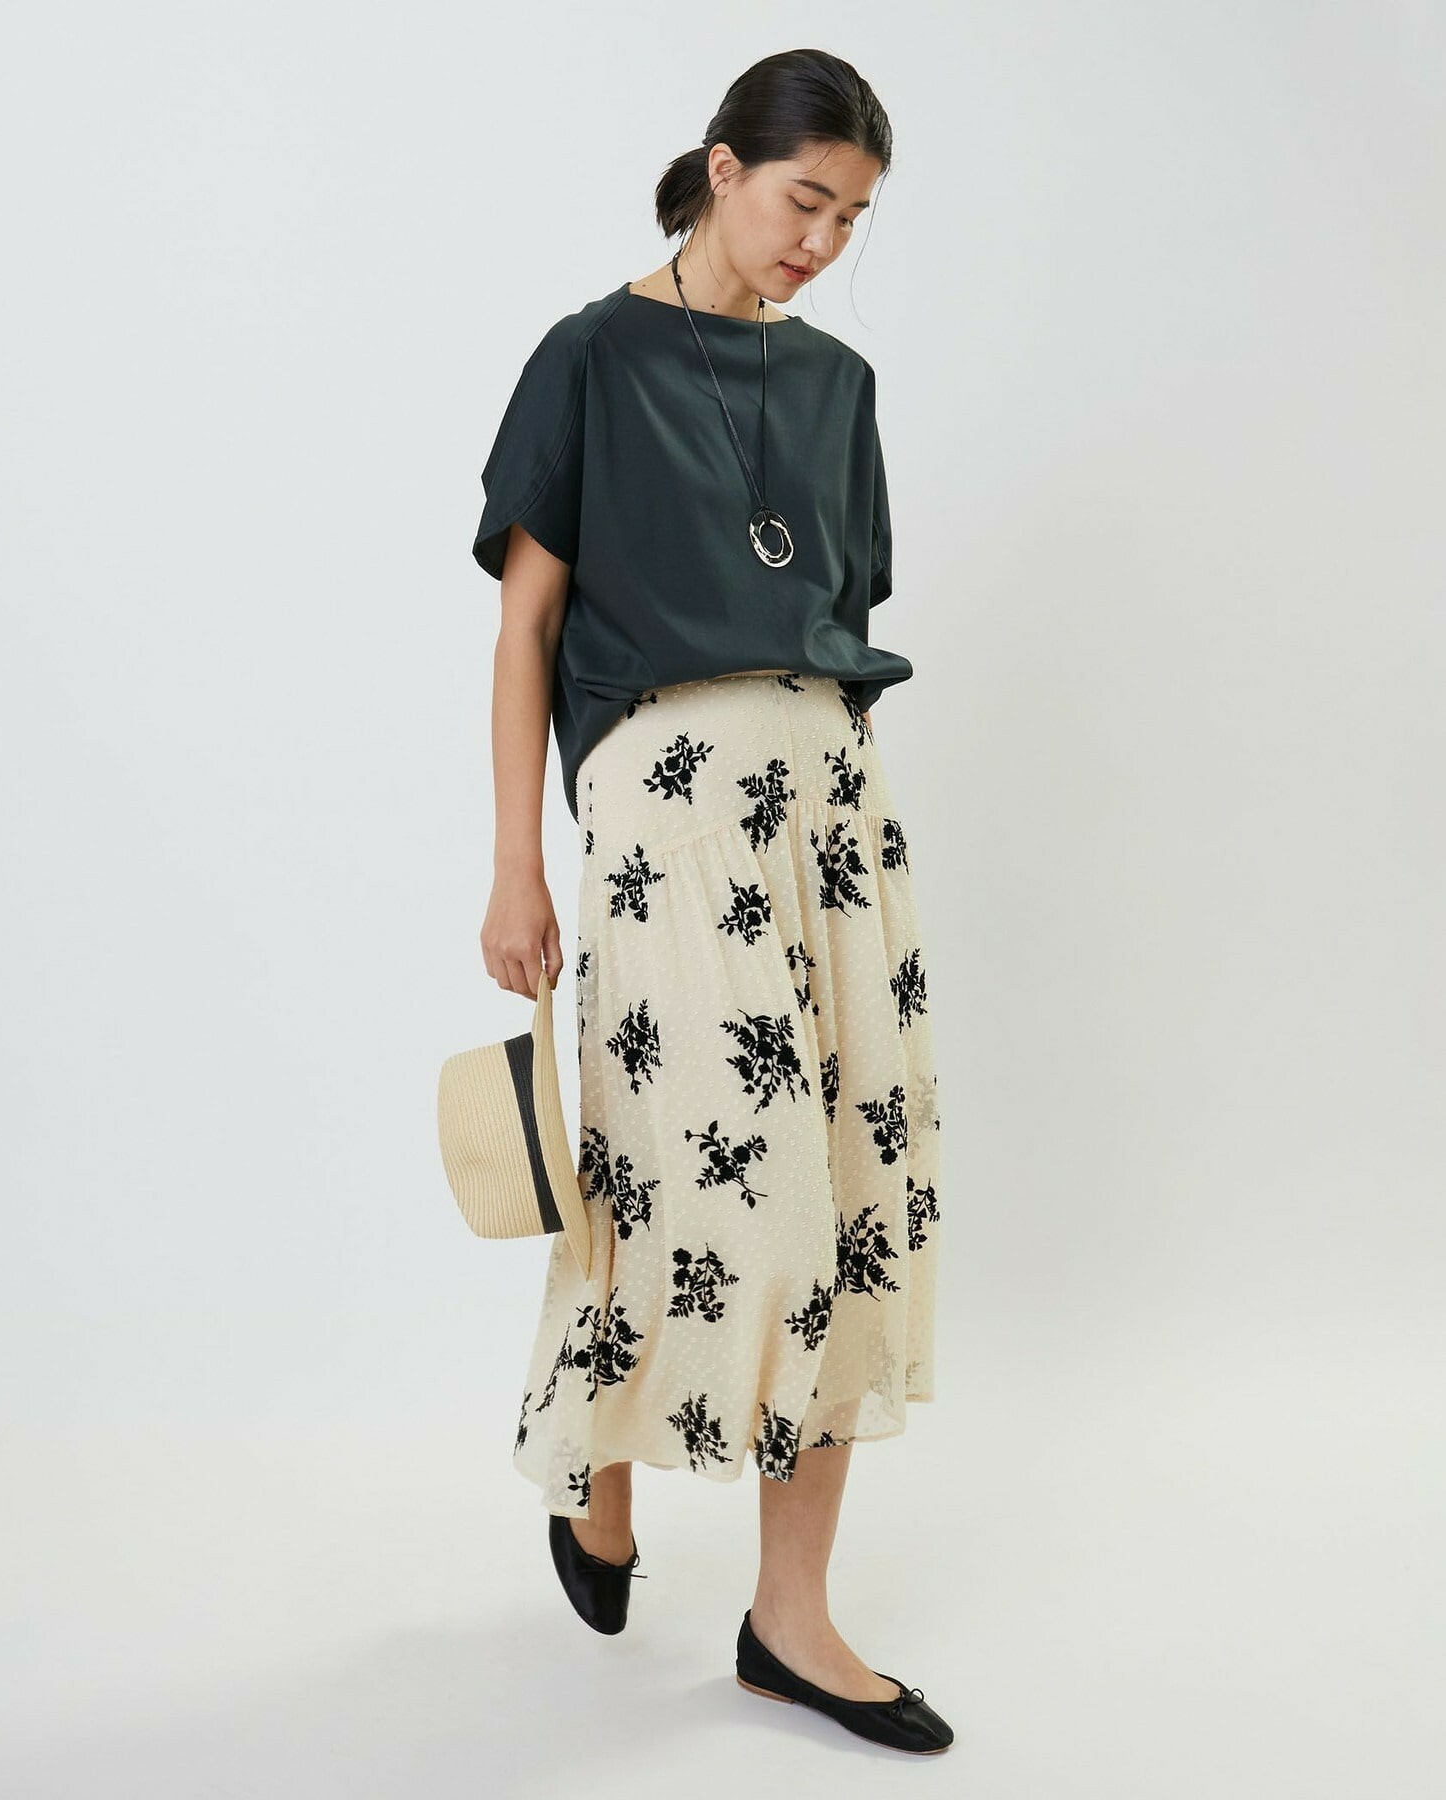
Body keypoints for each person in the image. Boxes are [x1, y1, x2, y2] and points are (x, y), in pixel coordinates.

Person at [471, 49, 952, 1755]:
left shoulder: (839, 385)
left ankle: (789, 1617)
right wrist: (519, 861)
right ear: (724, 167)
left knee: (847, 1191)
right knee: (684, 1173)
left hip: (830, 816)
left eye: (854, 218)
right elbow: (528, 627)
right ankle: (595, 1464)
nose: (823, 240)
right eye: (805, 198)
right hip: (664, 812)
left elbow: (833, 621)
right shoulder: (591, 356)